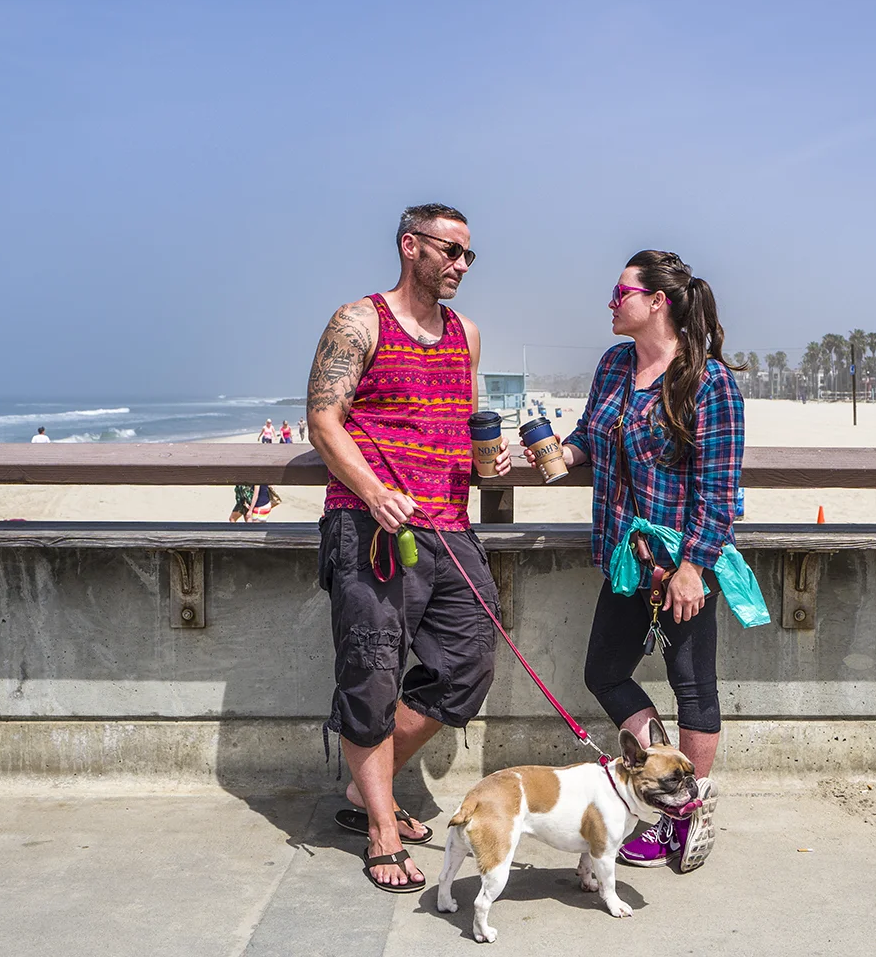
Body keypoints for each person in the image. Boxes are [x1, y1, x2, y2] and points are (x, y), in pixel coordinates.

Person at [307, 203, 511, 893]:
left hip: (449, 526)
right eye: (451, 251)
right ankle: (382, 829)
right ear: (410, 246)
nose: (461, 265)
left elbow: (462, 424)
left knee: (468, 664)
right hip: (371, 529)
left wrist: (489, 464)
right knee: (369, 674)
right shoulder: (359, 321)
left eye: (468, 255)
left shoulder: (465, 334)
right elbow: (323, 419)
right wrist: (372, 492)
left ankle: (370, 784)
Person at [535, 249, 744, 873]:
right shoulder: (614, 364)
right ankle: (664, 781)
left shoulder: (708, 382)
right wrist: (563, 454)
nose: (611, 301)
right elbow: (590, 434)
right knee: (604, 672)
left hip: (681, 563)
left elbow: (719, 490)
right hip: (625, 561)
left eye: (621, 291)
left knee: (693, 686)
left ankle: (683, 819)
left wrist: (693, 568)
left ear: (658, 301)